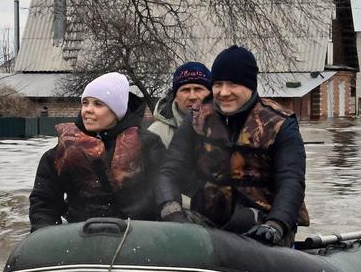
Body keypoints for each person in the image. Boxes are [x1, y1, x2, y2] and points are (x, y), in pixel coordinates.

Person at [156, 45, 309, 246]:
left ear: (250, 86)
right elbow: (169, 169)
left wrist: (276, 223)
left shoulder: (280, 123)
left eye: (233, 84)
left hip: (262, 223)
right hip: (208, 220)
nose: (223, 92)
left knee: (246, 220)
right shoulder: (196, 117)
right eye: (218, 84)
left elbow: (291, 180)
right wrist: (171, 209)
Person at [29, 71, 165, 231]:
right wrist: (47, 234)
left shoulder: (149, 145)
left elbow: (165, 192)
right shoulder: (62, 151)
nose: (87, 110)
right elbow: (44, 202)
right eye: (85, 103)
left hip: (137, 236)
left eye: (98, 104)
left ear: (116, 111)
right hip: (81, 236)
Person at [148, 61, 213, 148]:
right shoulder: (156, 133)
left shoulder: (227, 127)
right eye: (185, 90)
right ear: (175, 97)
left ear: (210, 94)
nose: (192, 97)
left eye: (198, 89)